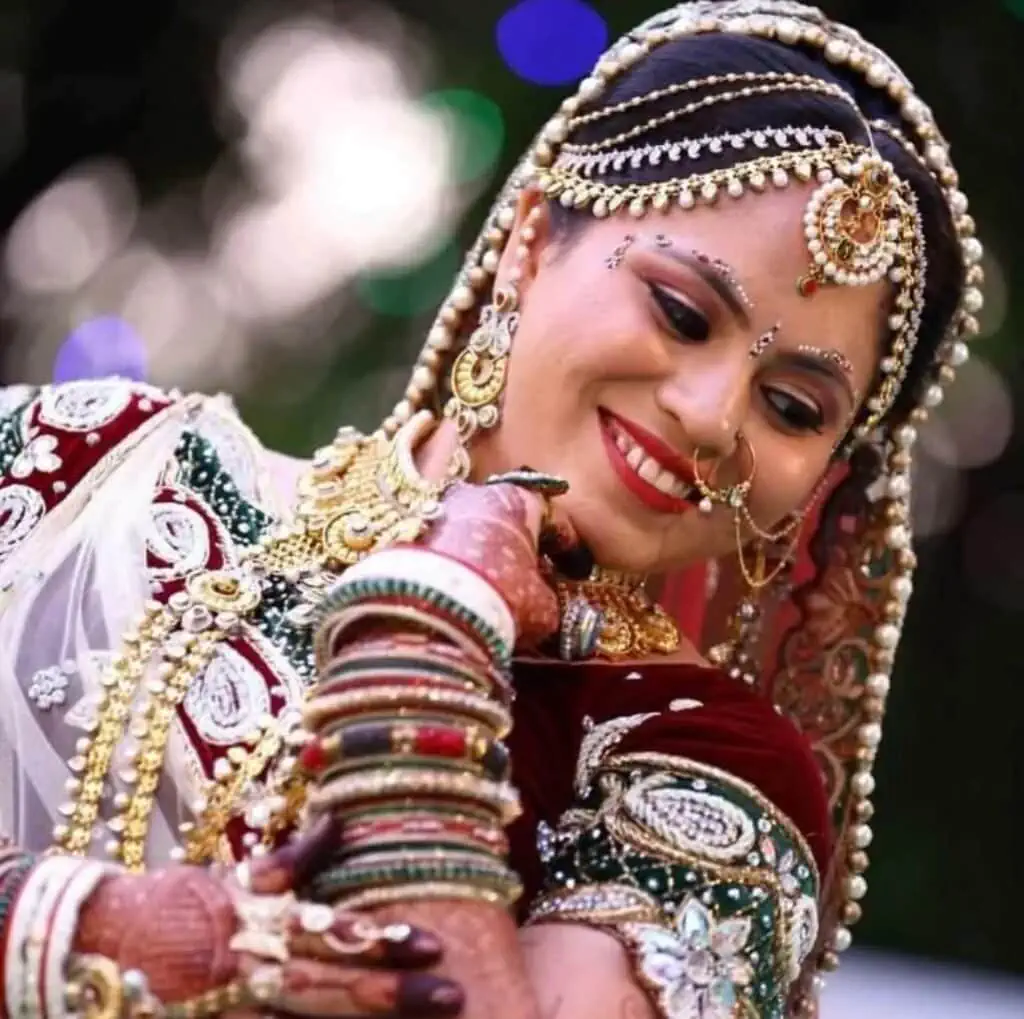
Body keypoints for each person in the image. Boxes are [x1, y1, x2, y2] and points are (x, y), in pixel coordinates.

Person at [0, 2, 981, 1018]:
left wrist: (425, 635)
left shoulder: (708, 766)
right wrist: (71, 925)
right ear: (526, 242)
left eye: (791, 407)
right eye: (681, 311)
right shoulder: (91, 465)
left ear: (821, 477)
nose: (709, 413)